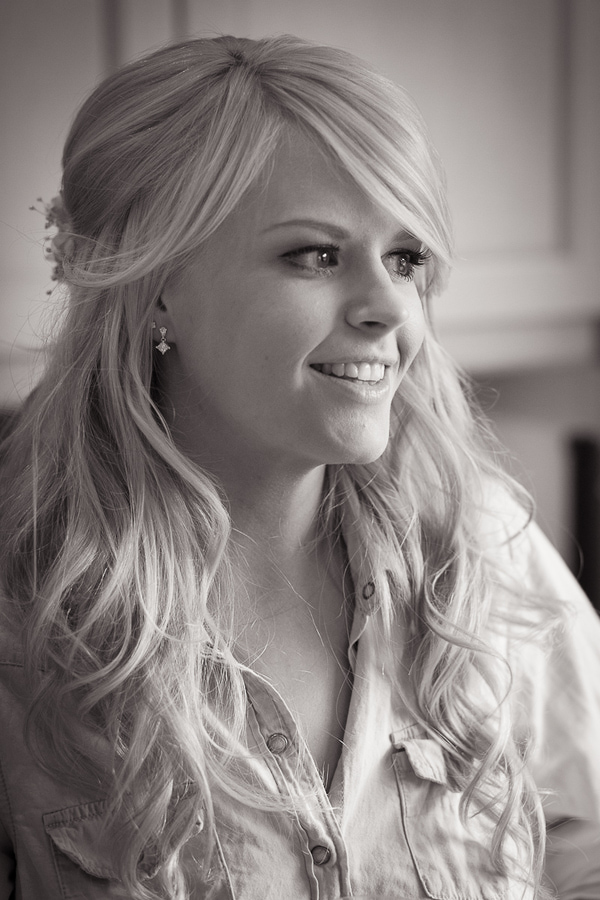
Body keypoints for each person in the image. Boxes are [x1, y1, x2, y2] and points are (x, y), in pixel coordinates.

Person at [0, 34, 599, 900]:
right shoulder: (23, 611)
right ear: (156, 284)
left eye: (405, 258)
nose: (390, 306)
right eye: (315, 254)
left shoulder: (479, 545)